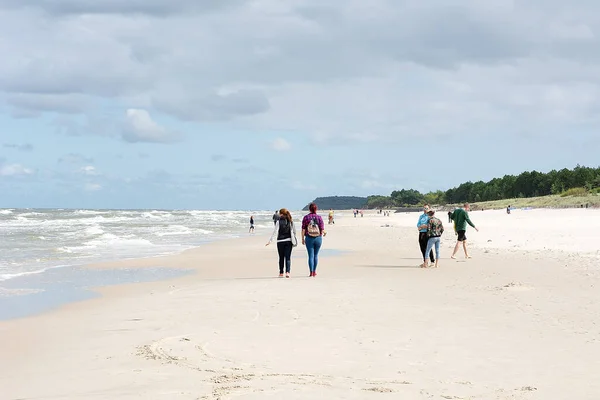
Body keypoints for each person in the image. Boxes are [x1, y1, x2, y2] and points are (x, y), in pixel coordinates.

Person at [266, 208, 298, 278]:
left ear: (282, 214)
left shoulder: (278, 221)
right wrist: (294, 238)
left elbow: (275, 231)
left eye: (280, 214)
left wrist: (270, 241)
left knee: (281, 257)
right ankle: (287, 272)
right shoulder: (290, 221)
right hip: (289, 241)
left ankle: (281, 273)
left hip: (280, 241)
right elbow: (294, 231)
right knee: (288, 257)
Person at [301, 202, 326, 277]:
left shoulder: (306, 217)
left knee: (310, 256)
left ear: (309, 209)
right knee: (316, 255)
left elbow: (303, 229)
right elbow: (322, 229)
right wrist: (324, 232)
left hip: (309, 238)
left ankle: (311, 272)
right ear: (316, 209)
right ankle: (314, 271)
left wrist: (302, 239)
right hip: (318, 238)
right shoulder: (319, 218)